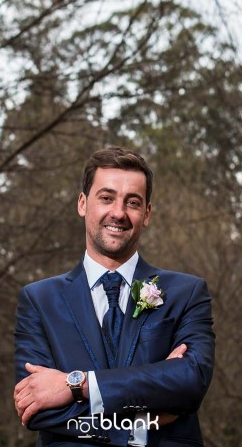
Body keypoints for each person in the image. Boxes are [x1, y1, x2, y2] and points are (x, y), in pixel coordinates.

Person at [13, 146, 215, 446]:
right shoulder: (39, 300)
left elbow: (189, 381)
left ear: (146, 214)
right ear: (83, 204)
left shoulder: (186, 293)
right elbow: (36, 410)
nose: (118, 213)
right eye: (106, 198)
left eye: (132, 202)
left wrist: (80, 385)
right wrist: (142, 422)